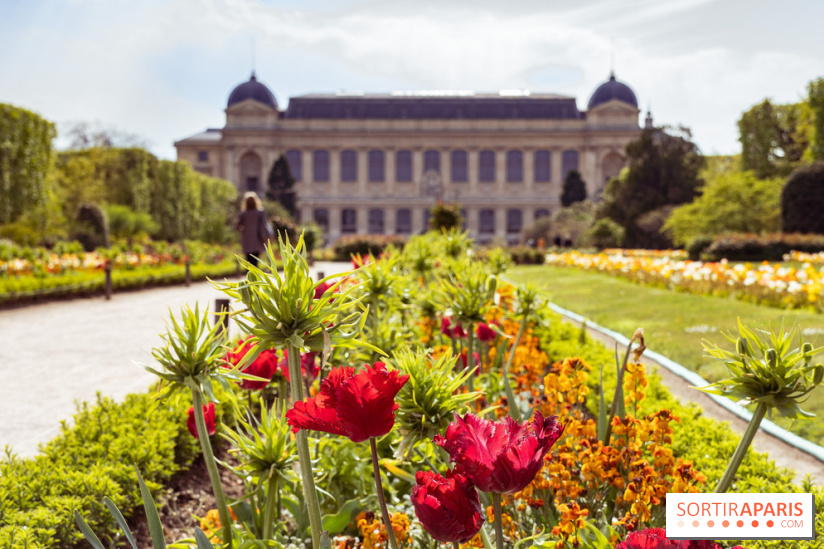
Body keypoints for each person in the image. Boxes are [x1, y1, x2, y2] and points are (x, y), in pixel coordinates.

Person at [236, 192, 271, 267]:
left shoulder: (243, 214)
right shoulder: (260, 212)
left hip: (247, 241)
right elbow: (265, 224)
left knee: (249, 262)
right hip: (258, 239)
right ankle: (255, 277)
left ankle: (250, 277)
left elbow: (238, 227)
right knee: (255, 261)